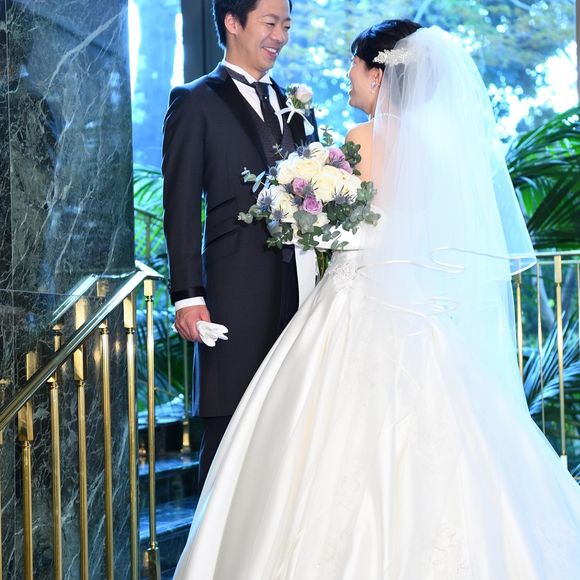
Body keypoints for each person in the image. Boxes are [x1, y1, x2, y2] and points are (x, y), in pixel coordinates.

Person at [173, 20, 580, 579]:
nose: (347, 73)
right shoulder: (433, 147)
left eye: (354, 63)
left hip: (351, 303)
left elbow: (340, 226)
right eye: (275, 22)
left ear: (378, 74)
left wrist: (297, 212)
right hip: (415, 312)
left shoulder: (363, 138)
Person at [162, 0, 316, 488]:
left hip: (304, 295)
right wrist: (188, 296)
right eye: (270, 23)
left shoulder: (297, 106)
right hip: (232, 297)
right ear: (232, 22)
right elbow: (181, 205)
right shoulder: (194, 101)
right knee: (229, 435)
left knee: (294, 435)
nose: (280, 36)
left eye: (286, 25)